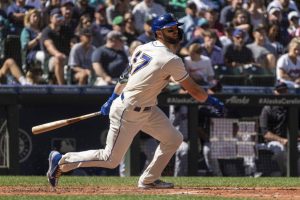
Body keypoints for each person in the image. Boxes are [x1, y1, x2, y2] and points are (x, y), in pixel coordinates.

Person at [46, 13, 224, 189]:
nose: (176, 32)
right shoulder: (171, 59)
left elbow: (124, 78)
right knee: (110, 160)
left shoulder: (143, 47)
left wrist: (112, 98)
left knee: (173, 139)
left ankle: (148, 179)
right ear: (159, 33)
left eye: (176, 28)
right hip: (129, 109)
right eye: (170, 30)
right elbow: (194, 90)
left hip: (146, 108)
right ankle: (61, 160)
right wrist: (211, 101)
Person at [259, 82, 300, 176]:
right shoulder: (268, 108)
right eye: (280, 91)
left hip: (293, 141)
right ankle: (286, 174)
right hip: (274, 142)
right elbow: (265, 133)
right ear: (275, 92)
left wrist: (295, 138)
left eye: (284, 91)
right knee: (280, 150)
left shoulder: (294, 106)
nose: (282, 93)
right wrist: (282, 140)